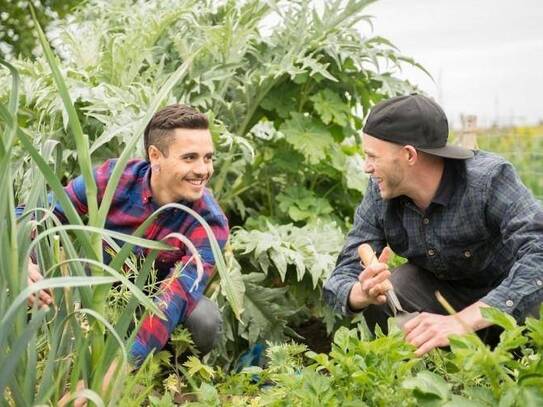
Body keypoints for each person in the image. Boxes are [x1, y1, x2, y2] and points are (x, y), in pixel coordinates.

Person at [323, 94, 543, 356]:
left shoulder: (488, 180)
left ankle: (522, 360)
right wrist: (361, 292)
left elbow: (539, 252)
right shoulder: (380, 193)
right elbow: (342, 274)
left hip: (508, 301)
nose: (366, 167)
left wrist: (461, 322)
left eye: (372, 156)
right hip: (444, 298)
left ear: (409, 155)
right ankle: (426, 379)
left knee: (535, 289)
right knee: (396, 285)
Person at [25, 104, 229, 366]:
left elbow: (174, 300)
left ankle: (162, 376)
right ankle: (46, 350)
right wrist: (22, 262)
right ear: (155, 156)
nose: (203, 170)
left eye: (208, 157)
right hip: (89, 293)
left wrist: (117, 369)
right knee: (26, 273)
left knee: (204, 321)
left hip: (152, 308)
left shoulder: (210, 222)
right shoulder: (114, 179)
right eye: (190, 158)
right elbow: (35, 214)